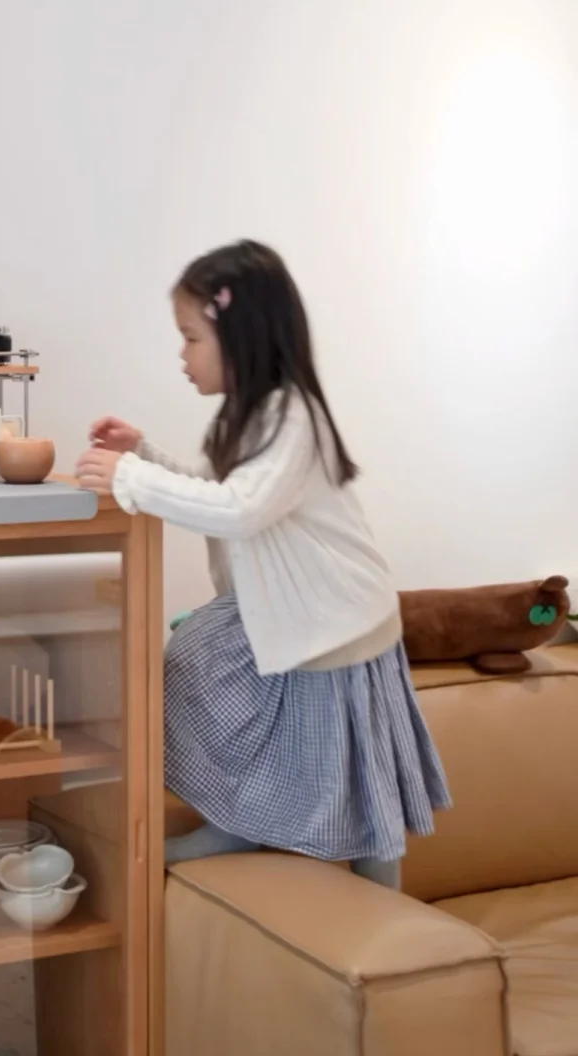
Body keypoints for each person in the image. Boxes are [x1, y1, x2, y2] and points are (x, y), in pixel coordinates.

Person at [75, 239, 449, 888]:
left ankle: (381, 895)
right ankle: (237, 819)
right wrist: (144, 454)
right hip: (288, 613)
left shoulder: (292, 415)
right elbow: (214, 491)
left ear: (239, 337)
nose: (182, 354)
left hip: (337, 622)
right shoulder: (248, 416)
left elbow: (240, 509)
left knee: (361, 783)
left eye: (191, 338)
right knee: (192, 662)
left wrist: (130, 476)